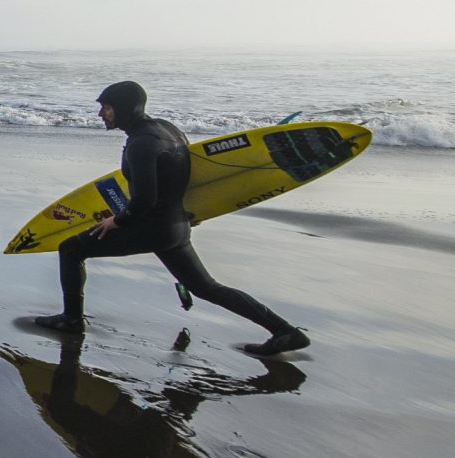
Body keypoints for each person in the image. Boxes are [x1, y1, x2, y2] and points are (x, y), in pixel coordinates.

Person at [29, 81, 309, 355]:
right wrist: (190, 213)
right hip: (175, 225)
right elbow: (185, 177)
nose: (101, 113)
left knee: (71, 248)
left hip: (151, 227)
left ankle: (72, 320)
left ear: (125, 108)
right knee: (206, 287)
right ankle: (285, 331)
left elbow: (145, 199)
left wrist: (117, 221)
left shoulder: (141, 143)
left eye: (107, 107)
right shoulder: (168, 129)